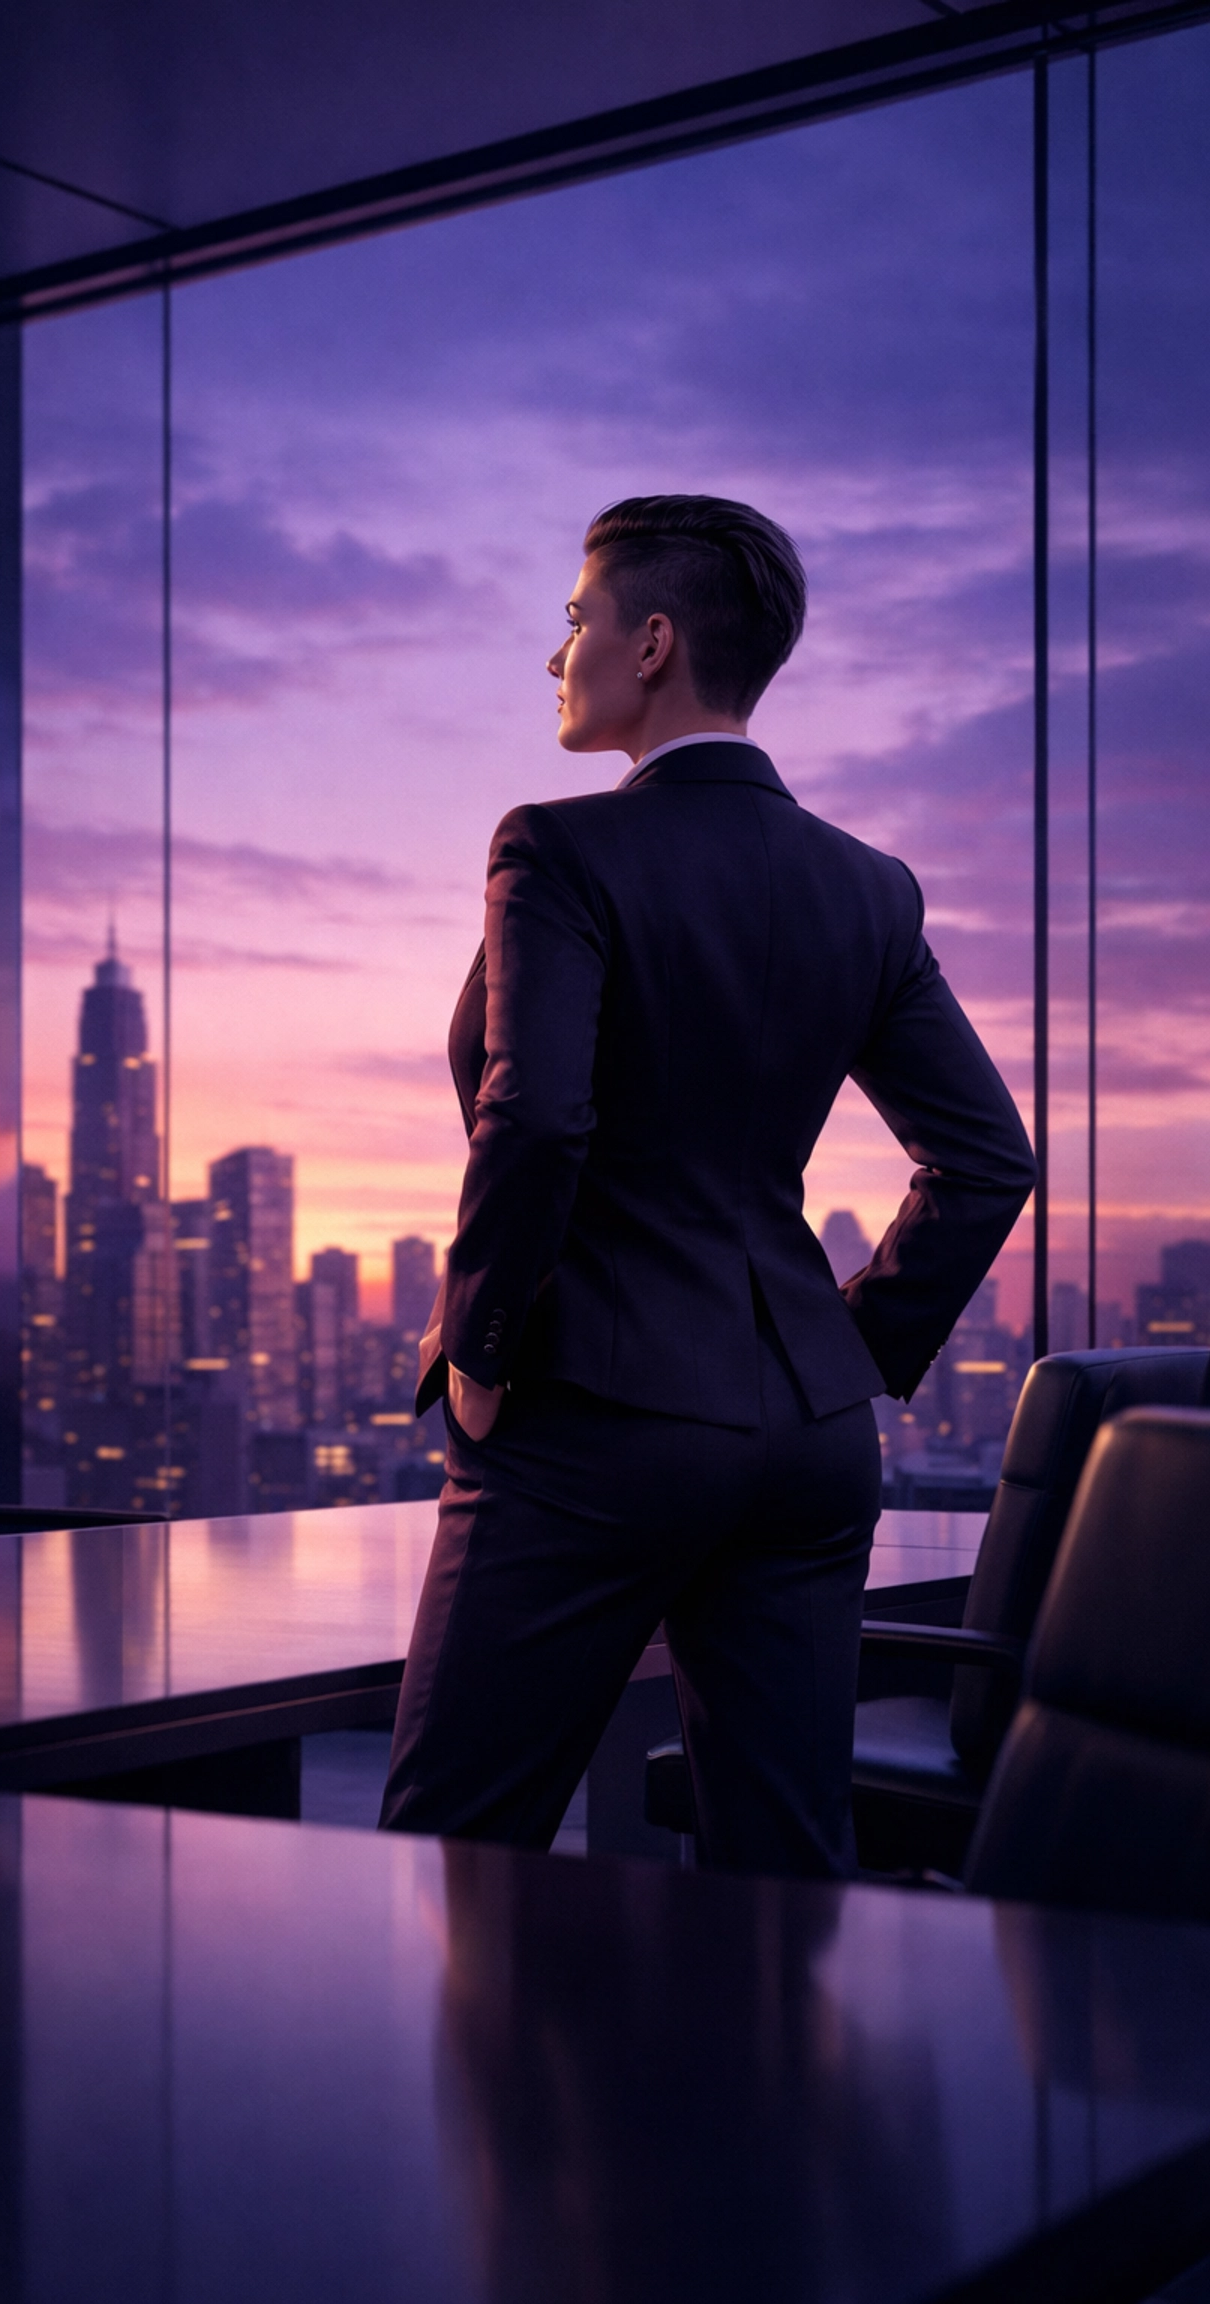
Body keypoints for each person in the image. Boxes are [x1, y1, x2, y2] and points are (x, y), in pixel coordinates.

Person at [378, 493, 1035, 1877]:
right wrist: (837, 1350)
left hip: (591, 1423)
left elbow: (539, 1115)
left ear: (655, 642)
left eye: (577, 619)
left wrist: (483, 1345)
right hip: (803, 1448)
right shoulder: (868, 887)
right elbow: (987, 1159)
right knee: (785, 1884)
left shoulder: (558, 849)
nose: (557, 652)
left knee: (449, 1854)